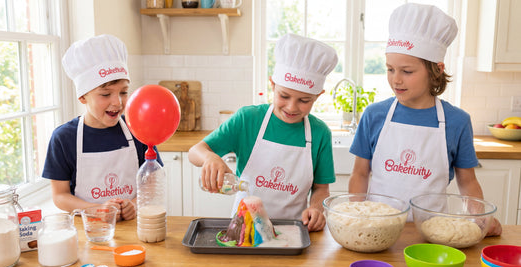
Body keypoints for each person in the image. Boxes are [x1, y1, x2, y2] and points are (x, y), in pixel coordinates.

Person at [348, 3, 502, 236]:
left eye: (407, 71)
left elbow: (468, 182)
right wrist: (355, 217)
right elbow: (360, 173)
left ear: (437, 70)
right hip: (376, 230)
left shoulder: (457, 121)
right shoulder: (374, 115)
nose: (395, 80)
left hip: (432, 233)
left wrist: (479, 218)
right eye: (390, 69)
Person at [188, 33, 338, 232]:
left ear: (318, 96)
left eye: (304, 100)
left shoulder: (320, 134)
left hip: (294, 232)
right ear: (272, 84)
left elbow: (321, 188)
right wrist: (209, 158)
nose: (292, 107)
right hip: (244, 230)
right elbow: (195, 151)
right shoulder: (247, 119)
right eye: (284, 96)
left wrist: (316, 209)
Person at [42, 34, 162, 221]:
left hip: (134, 226)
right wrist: (96, 210)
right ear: (82, 96)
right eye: (105, 94)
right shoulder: (64, 138)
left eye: (123, 92)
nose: (118, 102)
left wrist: (135, 204)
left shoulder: (137, 129)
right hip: (89, 229)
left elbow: (152, 180)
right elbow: (60, 196)